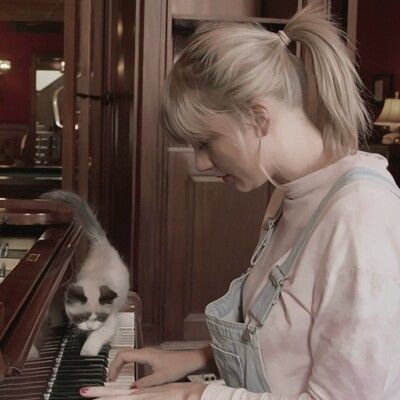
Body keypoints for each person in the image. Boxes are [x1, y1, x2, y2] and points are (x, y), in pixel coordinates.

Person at [80, 2, 400, 399]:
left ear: (258, 118)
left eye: (205, 141)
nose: (200, 162)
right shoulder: (287, 193)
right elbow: (289, 344)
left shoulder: (361, 217)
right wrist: (198, 358)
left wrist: (190, 395)